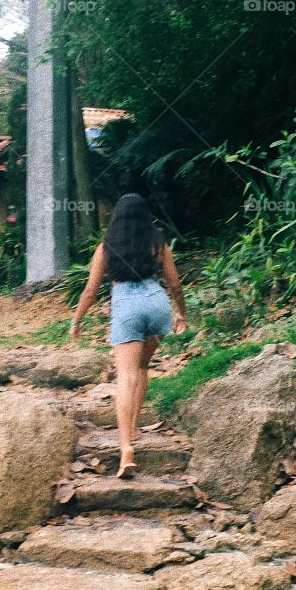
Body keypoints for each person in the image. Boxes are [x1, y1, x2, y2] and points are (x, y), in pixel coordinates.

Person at [70, 193, 187, 478]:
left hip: (127, 306)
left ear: (117, 217)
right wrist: (181, 313)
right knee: (142, 367)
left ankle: (125, 450)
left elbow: (90, 290)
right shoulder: (158, 244)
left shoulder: (106, 248)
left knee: (125, 375)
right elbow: (175, 284)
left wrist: (76, 321)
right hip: (156, 303)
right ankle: (134, 427)